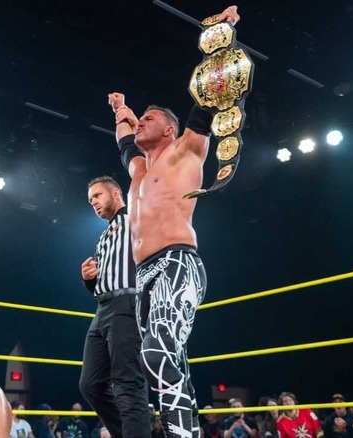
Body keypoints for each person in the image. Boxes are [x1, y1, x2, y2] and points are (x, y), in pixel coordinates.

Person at [106, 5, 241, 437]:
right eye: (139, 119)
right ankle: (187, 432)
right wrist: (121, 111)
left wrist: (223, 34)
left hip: (178, 262)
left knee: (159, 352)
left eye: (149, 118)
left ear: (168, 129)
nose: (140, 123)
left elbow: (209, 96)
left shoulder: (187, 151)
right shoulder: (139, 171)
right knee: (162, 362)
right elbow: (125, 142)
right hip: (145, 271)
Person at [78, 176, 151, 438]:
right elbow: (104, 280)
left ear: (116, 193)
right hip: (102, 309)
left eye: (97, 195)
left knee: (127, 381)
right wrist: (89, 279)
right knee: (91, 385)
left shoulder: (137, 217)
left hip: (127, 303)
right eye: (90, 201)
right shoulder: (102, 238)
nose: (93, 203)